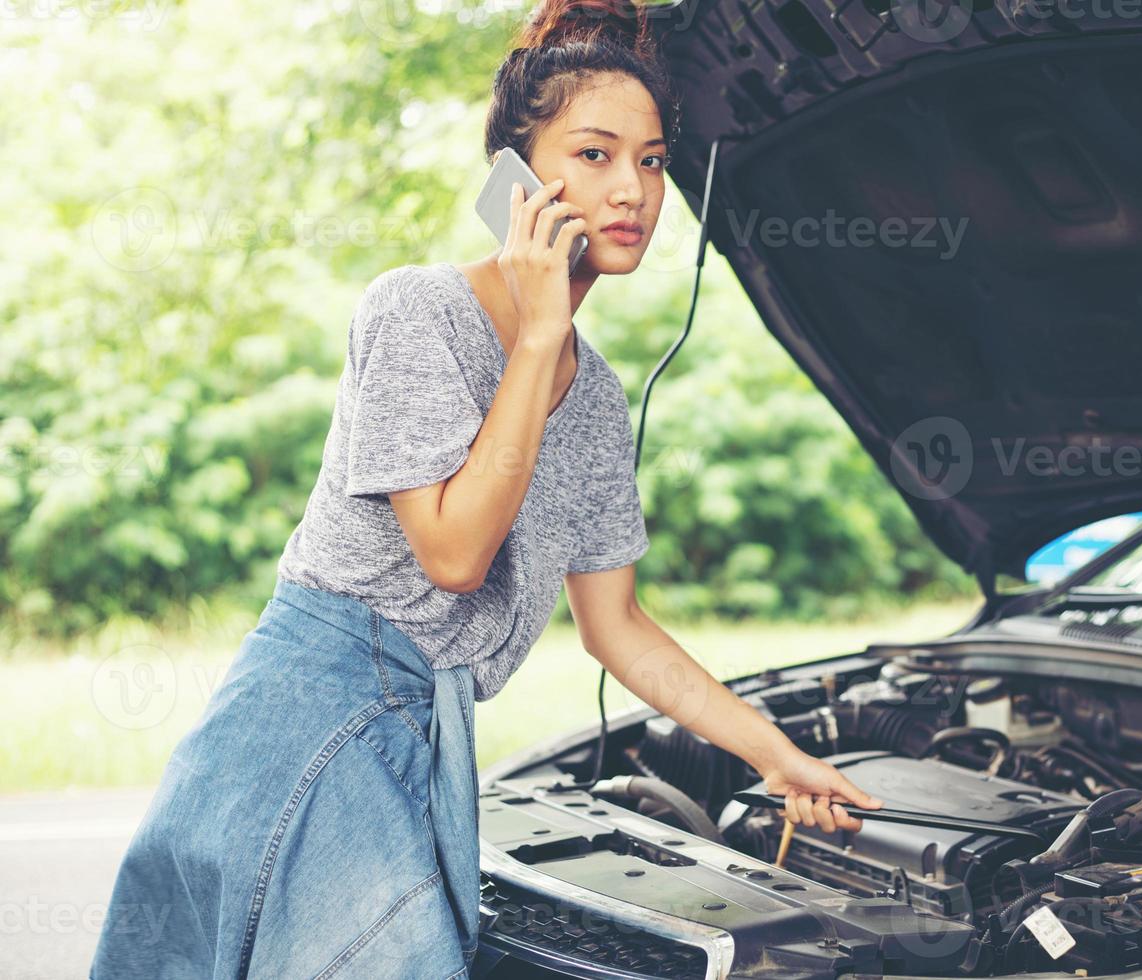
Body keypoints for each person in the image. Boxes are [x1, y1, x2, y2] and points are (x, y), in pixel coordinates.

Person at [89, 0, 885, 976]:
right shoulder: (417, 310)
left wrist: (773, 752)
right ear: (517, 177)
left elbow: (618, 626)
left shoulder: (592, 397)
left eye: (650, 158)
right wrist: (540, 332)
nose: (632, 188)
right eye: (593, 154)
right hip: (309, 719)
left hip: (429, 734)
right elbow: (455, 555)